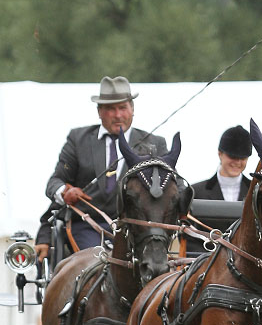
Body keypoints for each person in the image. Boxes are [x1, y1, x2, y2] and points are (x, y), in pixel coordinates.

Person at [40, 76, 167, 254]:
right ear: (99, 111)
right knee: (97, 263)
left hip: (138, 230)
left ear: (132, 109)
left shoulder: (154, 144)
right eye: (110, 109)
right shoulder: (78, 139)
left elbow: (169, 186)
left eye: (122, 107)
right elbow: (55, 181)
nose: (117, 115)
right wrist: (64, 192)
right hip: (87, 227)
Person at [189, 125, 252, 252]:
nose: (238, 162)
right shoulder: (195, 192)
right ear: (220, 154)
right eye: (233, 157)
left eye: (243, 158)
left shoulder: (257, 191)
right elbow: (189, 237)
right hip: (206, 264)